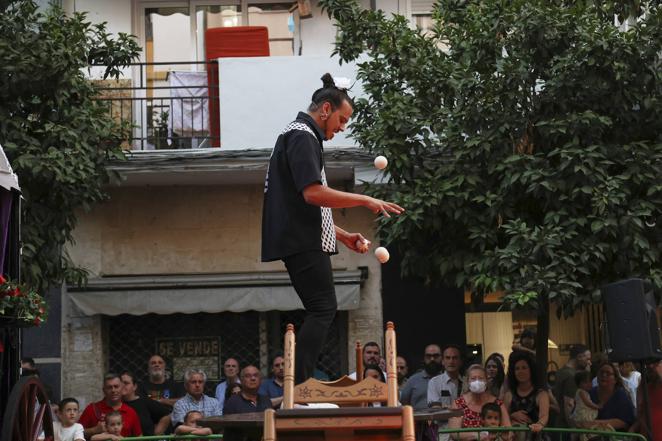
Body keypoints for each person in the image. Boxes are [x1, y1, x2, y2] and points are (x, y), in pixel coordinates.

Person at [261, 73, 404, 384]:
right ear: (325, 109)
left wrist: (343, 235)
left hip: (300, 235)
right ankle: (299, 387)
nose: (343, 127)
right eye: (342, 119)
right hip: (300, 239)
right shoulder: (302, 136)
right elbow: (312, 194)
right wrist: (365, 199)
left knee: (322, 308)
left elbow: (302, 203)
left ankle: (299, 385)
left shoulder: (299, 134)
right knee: (324, 308)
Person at [448, 364, 512, 439]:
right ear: (468, 381)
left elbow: (509, 431)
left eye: (481, 378)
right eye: (473, 378)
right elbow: (454, 432)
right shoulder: (458, 403)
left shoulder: (497, 403)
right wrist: (477, 435)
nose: (477, 381)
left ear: (486, 381)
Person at [79, 373, 142, 439]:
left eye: (116, 386)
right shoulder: (92, 409)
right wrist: (94, 430)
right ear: (104, 390)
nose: (113, 390)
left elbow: (139, 438)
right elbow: (75, 433)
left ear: (122, 388)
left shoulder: (130, 412)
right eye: (109, 387)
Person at [503, 351, 549, 439]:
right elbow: (503, 417)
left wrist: (539, 425)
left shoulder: (541, 394)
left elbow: (544, 416)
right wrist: (512, 415)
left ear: (531, 370)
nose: (520, 371)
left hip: (536, 437)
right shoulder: (508, 395)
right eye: (517, 368)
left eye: (524, 368)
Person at [578, 362, 635, 431]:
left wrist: (595, 423)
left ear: (615, 379)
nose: (604, 375)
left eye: (608, 373)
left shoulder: (620, 395)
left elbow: (625, 422)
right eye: (601, 372)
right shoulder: (589, 393)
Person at [223, 366, 272, 441]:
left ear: (260, 380)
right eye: (248, 376)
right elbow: (229, 433)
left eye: (256, 375)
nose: (253, 378)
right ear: (241, 380)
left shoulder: (266, 400)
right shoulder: (232, 402)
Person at [551, 344, 591, 428]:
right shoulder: (572, 376)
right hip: (566, 425)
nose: (589, 363)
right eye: (587, 359)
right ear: (579, 357)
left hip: (557, 421)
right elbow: (569, 405)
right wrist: (573, 429)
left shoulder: (560, 371)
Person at [120, 370, 171, 435]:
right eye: (120, 383)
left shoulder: (144, 402)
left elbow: (167, 415)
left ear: (135, 386)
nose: (122, 386)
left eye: (126, 383)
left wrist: (155, 434)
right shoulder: (116, 403)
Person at [401, 344, 444, 411]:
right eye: (428, 356)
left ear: (441, 358)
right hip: (418, 420)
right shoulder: (413, 380)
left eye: (436, 356)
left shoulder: (447, 380)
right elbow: (404, 404)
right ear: (424, 358)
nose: (432, 359)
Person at [633, 359, 662, 441]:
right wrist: (632, 429)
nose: (650, 366)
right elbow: (641, 417)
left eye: (656, 362)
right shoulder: (644, 389)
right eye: (648, 363)